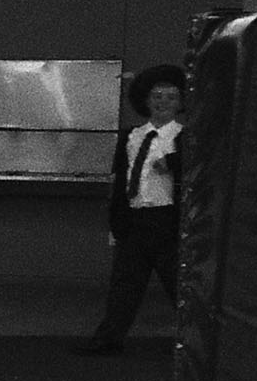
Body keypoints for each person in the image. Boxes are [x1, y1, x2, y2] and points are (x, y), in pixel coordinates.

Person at [75, 62, 187, 355]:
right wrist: (117, 220)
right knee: (125, 284)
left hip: (168, 221)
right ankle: (109, 339)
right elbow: (120, 177)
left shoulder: (186, 139)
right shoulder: (132, 136)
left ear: (181, 103)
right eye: (157, 97)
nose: (163, 103)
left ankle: (197, 343)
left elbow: (203, 171)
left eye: (171, 97)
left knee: (180, 286)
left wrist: (174, 163)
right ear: (146, 101)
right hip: (135, 220)